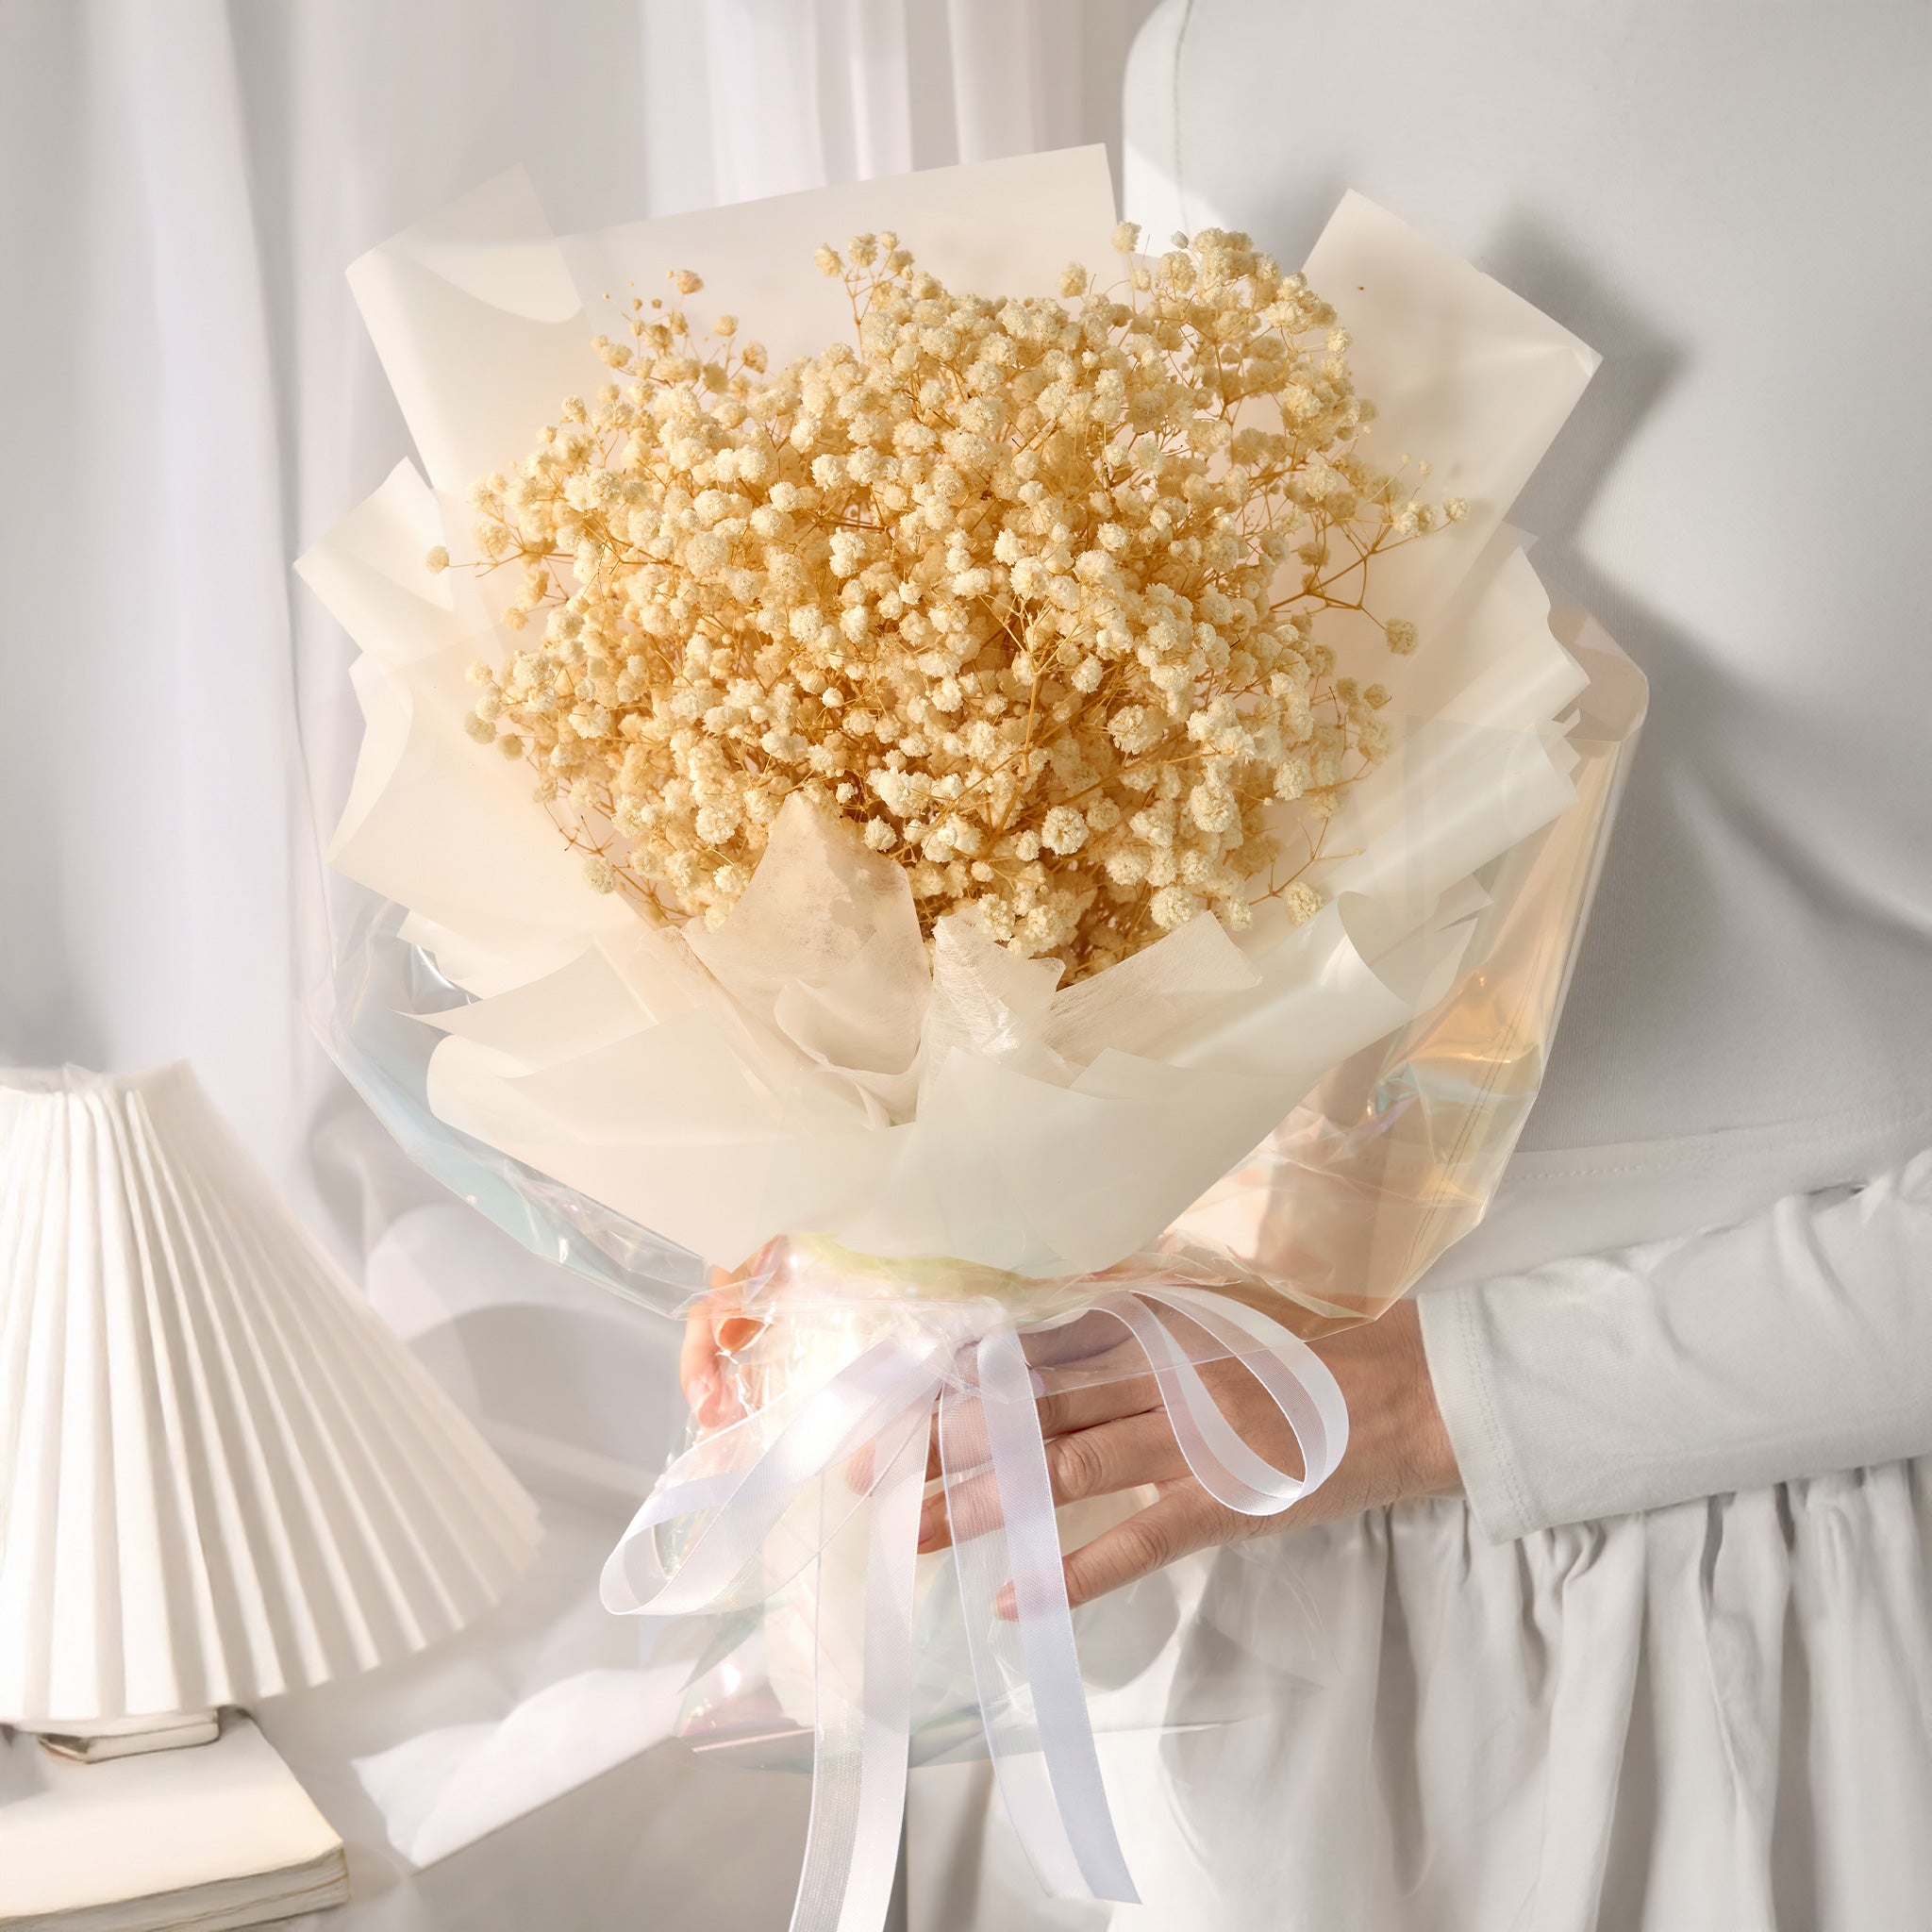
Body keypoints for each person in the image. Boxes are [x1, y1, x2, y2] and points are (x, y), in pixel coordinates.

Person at [686, 6, 1932, 1927]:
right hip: (1262, 1615)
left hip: (1827, 1623)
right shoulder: (1223, 59)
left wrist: (1465, 1395)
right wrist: (892, 1212)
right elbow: (1196, 866)